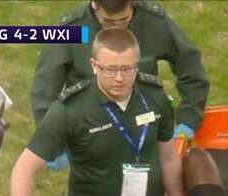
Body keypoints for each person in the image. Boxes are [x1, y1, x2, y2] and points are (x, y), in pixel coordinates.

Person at [12, 27, 186, 196]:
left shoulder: (155, 98)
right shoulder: (71, 110)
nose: (119, 78)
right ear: (94, 65)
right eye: (110, 69)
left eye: (127, 69)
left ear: (137, 65)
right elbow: (24, 168)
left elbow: (168, 158)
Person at [32, 0, 209, 170]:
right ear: (95, 5)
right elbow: (44, 90)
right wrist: (53, 141)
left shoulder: (152, 22)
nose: (117, 28)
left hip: (143, 133)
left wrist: (188, 118)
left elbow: (190, 67)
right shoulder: (75, 30)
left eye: (124, 20)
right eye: (108, 22)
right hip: (91, 138)